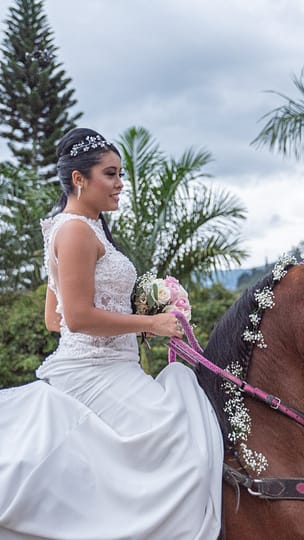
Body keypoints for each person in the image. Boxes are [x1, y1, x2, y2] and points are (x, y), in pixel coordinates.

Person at [0, 127, 223, 540]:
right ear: (79, 179)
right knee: (183, 449)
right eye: (111, 174)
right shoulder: (74, 231)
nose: (121, 184)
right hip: (95, 371)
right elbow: (79, 318)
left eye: (121, 174)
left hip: (116, 368)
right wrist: (149, 323)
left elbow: (56, 318)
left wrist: (136, 310)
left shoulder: (85, 228)